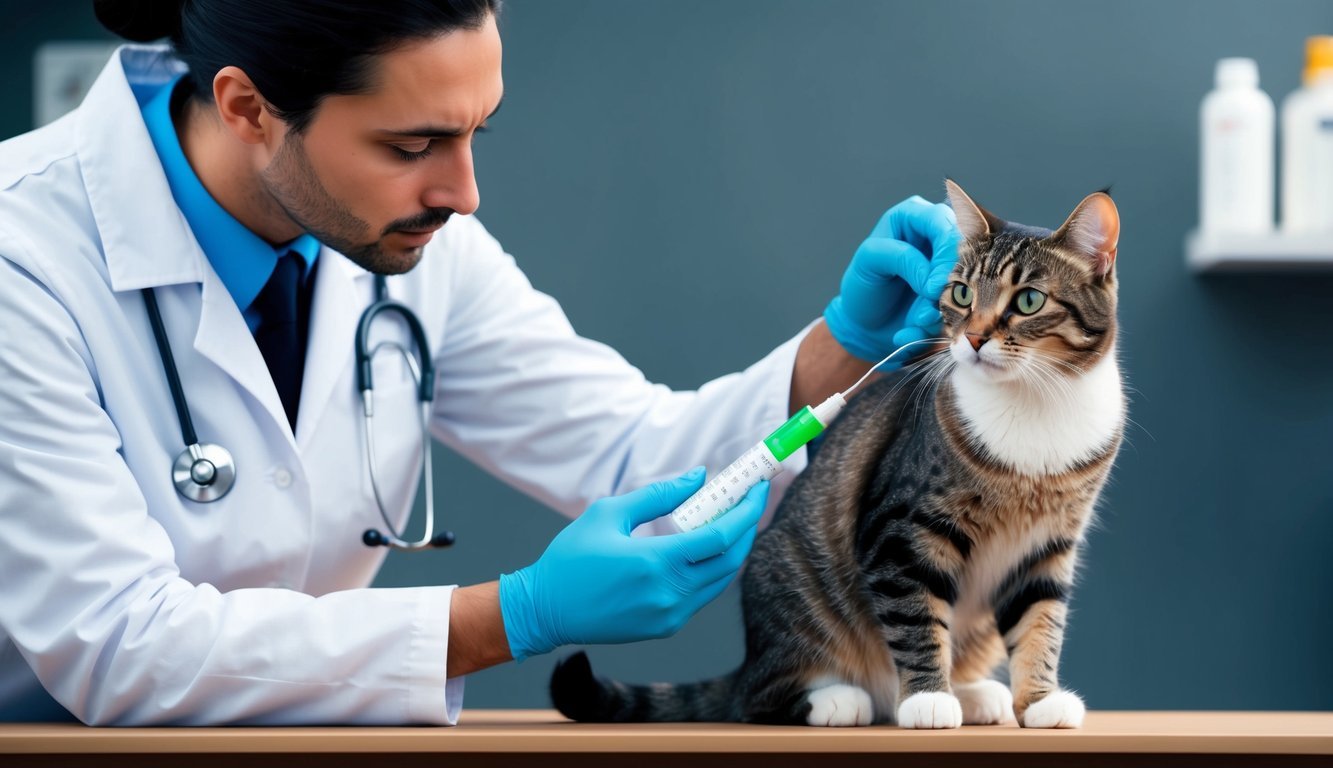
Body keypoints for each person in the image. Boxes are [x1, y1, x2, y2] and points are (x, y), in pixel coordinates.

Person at [0, 0, 960, 725]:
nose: (462, 191)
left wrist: (844, 344)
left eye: (474, 132)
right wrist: (513, 616)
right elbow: (119, 645)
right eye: (414, 143)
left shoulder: (412, 239)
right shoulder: (25, 254)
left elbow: (635, 460)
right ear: (248, 107)